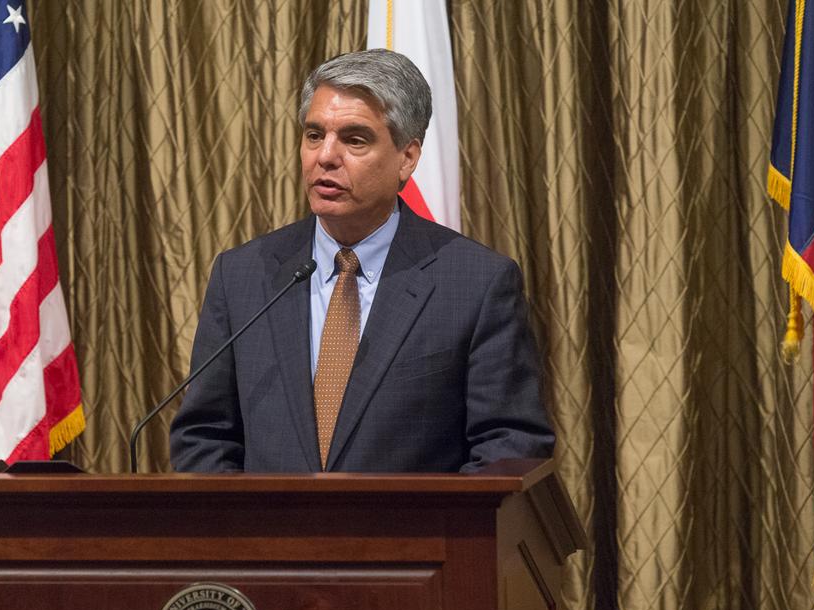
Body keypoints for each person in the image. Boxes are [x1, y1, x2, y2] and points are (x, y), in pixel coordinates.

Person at [170, 49, 553, 473]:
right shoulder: (242, 275)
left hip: (414, 539)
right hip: (265, 539)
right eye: (314, 135)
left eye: (354, 139)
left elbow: (510, 446)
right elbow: (203, 437)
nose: (325, 157)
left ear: (407, 158)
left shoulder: (476, 283)